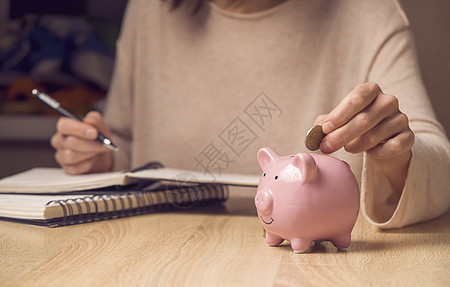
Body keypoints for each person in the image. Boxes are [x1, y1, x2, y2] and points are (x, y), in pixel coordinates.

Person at [50, 0, 450, 229]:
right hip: (156, 257)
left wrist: (398, 160)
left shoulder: (368, 14)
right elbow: (124, 143)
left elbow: (438, 168)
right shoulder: (150, 11)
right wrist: (100, 157)